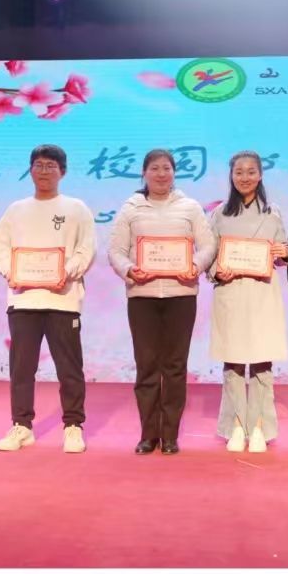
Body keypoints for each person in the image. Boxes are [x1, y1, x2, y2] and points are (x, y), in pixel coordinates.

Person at [0, 144, 96, 453]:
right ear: (30, 170)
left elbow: (86, 249)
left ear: (63, 171)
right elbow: (0, 247)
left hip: (63, 300)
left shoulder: (76, 208)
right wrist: (11, 272)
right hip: (23, 300)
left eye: (51, 165)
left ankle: (73, 426)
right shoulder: (16, 210)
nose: (44, 171)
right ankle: (21, 426)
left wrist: (67, 272)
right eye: (38, 165)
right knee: (22, 368)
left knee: (69, 368)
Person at [108, 149, 216, 455]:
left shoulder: (189, 207)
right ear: (144, 173)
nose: (160, 174)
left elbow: (208, 245)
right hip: (142, 297)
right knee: (147, 366)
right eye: (154, 168)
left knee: (175, 366)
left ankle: (170, 435)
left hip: (181, 296)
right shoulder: (131, 208)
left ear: (174, 172)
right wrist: (130, 270)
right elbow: (115, 251)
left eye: (166, 168)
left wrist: (195, 266)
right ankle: (148, 434)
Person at [209, 151, 288, 452]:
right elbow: (209, 255)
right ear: (231, 176)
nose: (245, 177)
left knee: (261, 362)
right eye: (239, 172)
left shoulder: (273, 212)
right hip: (230, 292)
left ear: (260, 175)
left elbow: (283, 251)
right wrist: (218, 270)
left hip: (262, 293)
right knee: (232, 363)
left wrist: (285, 253)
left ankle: (258, 427)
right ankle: (235, 425)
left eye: (251, 171)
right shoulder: (219, 214)